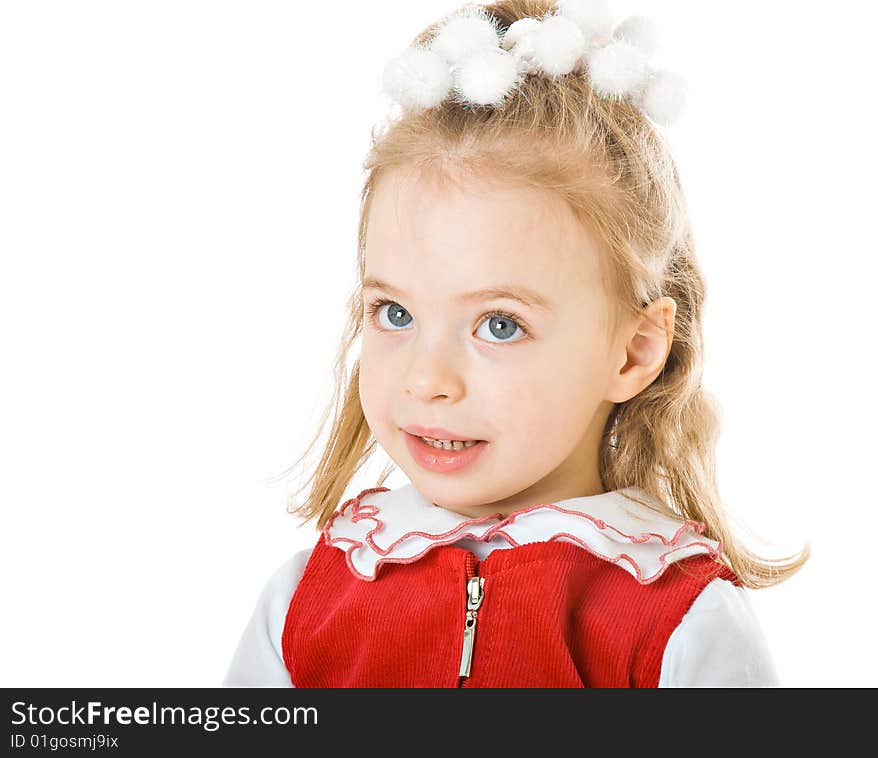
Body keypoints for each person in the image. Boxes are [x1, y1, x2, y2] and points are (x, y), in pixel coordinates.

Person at [222, 0, 809, 688]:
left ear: (632, 353)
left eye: (499, 324)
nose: (426, 380)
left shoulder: (675, 620)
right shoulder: (309, 600)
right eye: (395, 313)